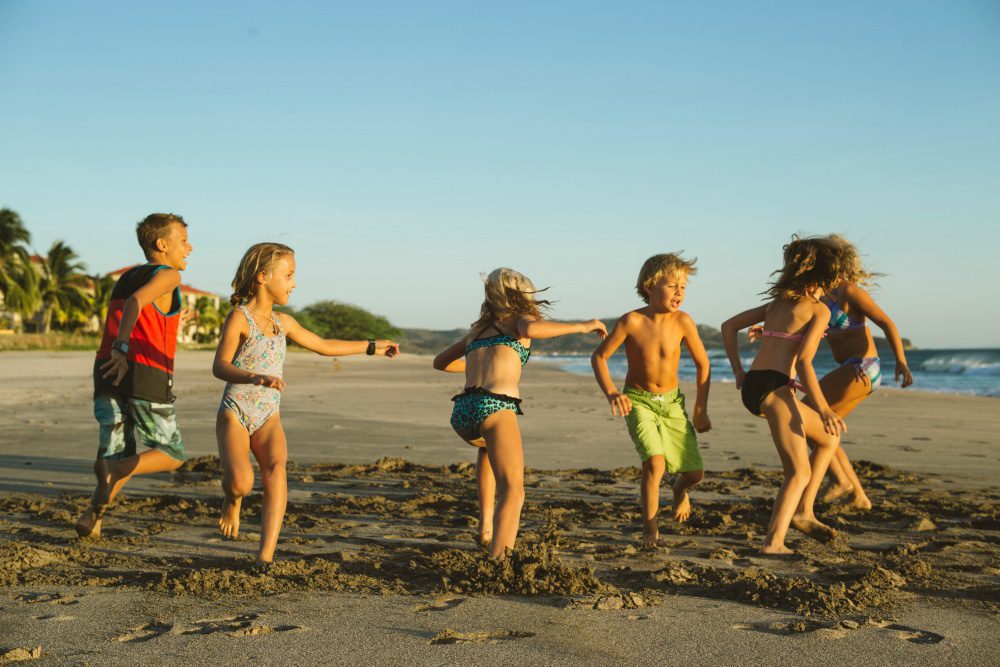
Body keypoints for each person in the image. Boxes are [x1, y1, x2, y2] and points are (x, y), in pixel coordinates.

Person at [213, 242, 399, 567]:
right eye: (288, 275)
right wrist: (254, 377)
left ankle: (264, 556)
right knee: (242, 482)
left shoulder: (283, 323)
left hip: (269, 415)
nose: (294, 283)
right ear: (262, 276)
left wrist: (370, 347)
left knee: (276, 469)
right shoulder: (239, 318)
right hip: (236, 410)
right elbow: (221, 366)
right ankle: (233, 500)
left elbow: (324, 345)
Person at [433, 268, 606, 557]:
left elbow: (440, 362)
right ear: (523, 296)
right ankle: (499, 558)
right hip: (495, 406)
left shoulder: (477, 331)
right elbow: (531, 330)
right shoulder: (518, 322)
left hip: (464, 411)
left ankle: (486, 526)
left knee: (488, 450)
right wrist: (583, 326)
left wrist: (479, 364)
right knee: (514, 490)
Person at [721, 235, 847, 555]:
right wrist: (825, 408)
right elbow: (804, 362)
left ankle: (804, 512)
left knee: (828, 440)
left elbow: (728, 326)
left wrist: (738, 370)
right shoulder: (818, 311)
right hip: (776, 389)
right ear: (821, 279)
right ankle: (773, 543)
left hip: (754, 384)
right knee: (799, 471)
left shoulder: (776, 303)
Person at [75, 213, 195, 539]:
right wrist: (123, 347)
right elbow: (136, 303)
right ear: (162, 244)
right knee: (171, 454)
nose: (190, 248)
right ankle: (113, 471)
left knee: (117, 453)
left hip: (106, 371)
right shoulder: (167, 275)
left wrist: (173, 322)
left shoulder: (125, 276)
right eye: (183, 241)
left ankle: (93, 517)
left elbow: (140, 311)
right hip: (141, 370)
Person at [591, 253, 711, 547]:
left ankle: (679, 489)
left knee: (694, 473)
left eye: (683, 287)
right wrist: (612, 392)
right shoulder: (631, 321)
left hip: (672, 403)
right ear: (650, 286)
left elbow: (703, 364)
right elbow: (599, 356)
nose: (679, 293)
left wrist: (700, 408)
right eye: (673, 286)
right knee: (655, 464)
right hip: (638, 401)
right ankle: (650, 530)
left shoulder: (683, 321)